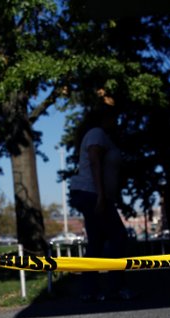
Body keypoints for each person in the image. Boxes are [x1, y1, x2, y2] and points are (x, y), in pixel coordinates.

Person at [69, 102, 133, 302]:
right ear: (104, 118)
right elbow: (95, 162)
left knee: (96, 242)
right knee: (118, 236)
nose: (117, 122)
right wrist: (101, 196)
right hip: (92, 193)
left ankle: (90, 290)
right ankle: (115, 287)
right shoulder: (97, 133)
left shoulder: (101, 135)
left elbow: (108, 171)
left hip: (96, 193)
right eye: (114, 118)